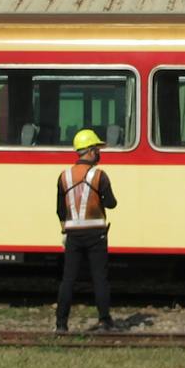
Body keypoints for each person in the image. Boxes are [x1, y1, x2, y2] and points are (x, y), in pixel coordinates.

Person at [54, 128, 118, 332]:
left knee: (68, 279)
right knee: (99, 278)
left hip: (72, 234)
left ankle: (61, 324)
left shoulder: (64, 176)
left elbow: (60, 210)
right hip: (96, 233)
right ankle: (104, 320)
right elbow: (111, 204)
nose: (99, 153)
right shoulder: (99, 175)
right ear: (90, 151)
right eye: (97, 149)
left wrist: (66, 228)